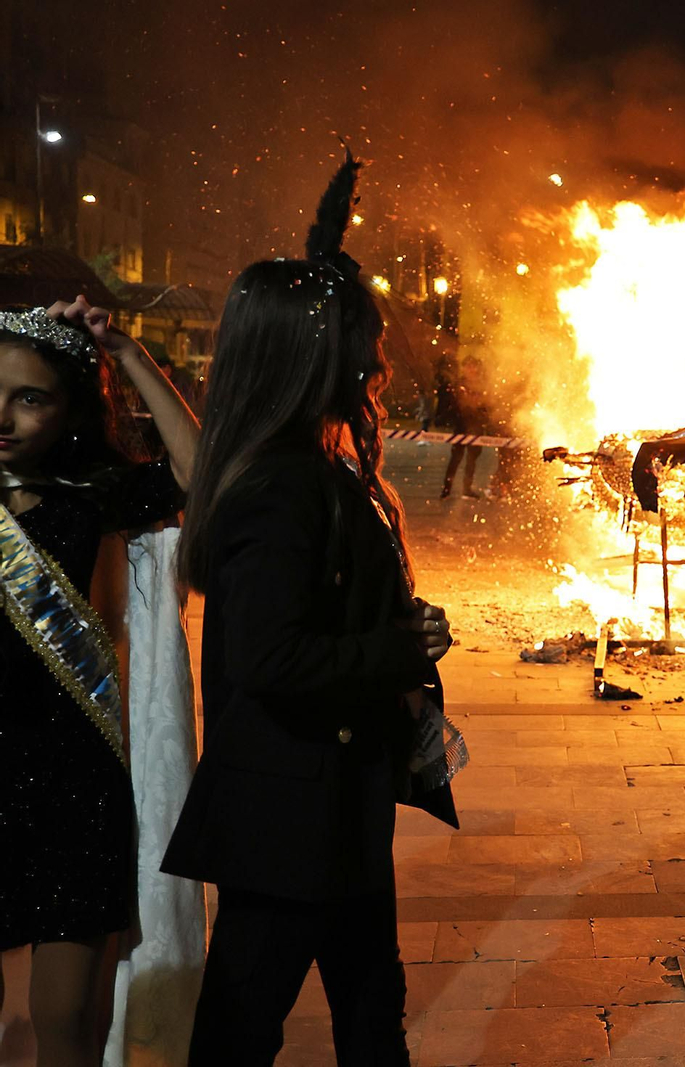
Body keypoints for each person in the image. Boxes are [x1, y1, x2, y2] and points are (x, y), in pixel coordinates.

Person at [162, 152, 461, 1063]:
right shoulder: (279, 489)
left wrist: (397, 640)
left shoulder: (322, 465)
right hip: (287, 818)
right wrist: (398, 647)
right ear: (312, 352)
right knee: (241, 1029)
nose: (380, 353)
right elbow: (270, 660)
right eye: (365, 334)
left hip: (337, 806)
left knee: (375, 1017)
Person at [0, 299, 200, 1065]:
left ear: (70, 407)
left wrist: (126, 351)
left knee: (69, 1021)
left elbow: (198, 472)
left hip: (72, 790)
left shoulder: (92, 494)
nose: (6, 415)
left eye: (31, 396)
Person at [438, 354, 487, 499]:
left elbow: (485, 405)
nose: (471, 369)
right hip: (461, 426)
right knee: (456, 458)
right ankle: (447, 488)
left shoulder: (481, 384)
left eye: (474, 366)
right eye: (468, 366)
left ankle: (467, 488)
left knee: (472, 459)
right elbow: (453, 403)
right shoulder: (459, 383)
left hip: (476, 426)